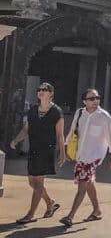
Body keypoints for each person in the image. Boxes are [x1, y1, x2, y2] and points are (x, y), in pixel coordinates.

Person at [60, 89, 111, 228]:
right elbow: (73, 131)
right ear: (84, 101)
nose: (95, 101)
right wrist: (67, 149)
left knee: (82, 184)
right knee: (88, 183)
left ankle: (70, 216)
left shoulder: (104, 116)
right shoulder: (80, 113)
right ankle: (97, 210)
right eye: (91, 99)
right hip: (81, 155)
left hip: (94, 157)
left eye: (97, 98)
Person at [9, 82, 65, 224]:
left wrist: (62, 153)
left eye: (44, 90)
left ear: (51, 93)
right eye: (39, 89)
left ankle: (30, 215)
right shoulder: (33, 110)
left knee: (38, 183)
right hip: (34, 149)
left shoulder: (56, 112)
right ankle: (50, 202)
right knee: (32, 182)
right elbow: (26, 129)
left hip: (47, 150)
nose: (41, 91)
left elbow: (60, 135)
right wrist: (16, 140)